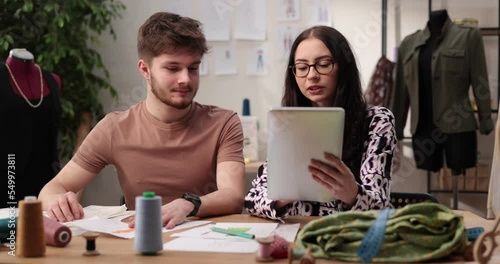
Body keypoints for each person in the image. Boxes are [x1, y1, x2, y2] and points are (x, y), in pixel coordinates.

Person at [39, 12, 245, 229]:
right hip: (140, 242)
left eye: (192, 68)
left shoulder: (223, 123)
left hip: (207, 246)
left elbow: (232, 196)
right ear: (145, 69)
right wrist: (58, 201)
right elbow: (53, 189)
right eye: (173, 68)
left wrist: (188, 204)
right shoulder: (114, 128)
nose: (185, 79)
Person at [244, 26, 397, 220]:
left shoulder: (377, 121)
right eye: (301, 67)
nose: (311, 75)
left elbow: (380, 207)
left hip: (347, 234)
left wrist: (352, 194)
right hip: (294, 232)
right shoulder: (289, 121)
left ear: (344, 66)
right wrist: (283, 195)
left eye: (323, 64)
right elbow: (252, 200)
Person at [1, 48, 62, 208]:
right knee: (9, 231)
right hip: (7, 178)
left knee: (42, 230)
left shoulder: (52, 81)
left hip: (45, 182)